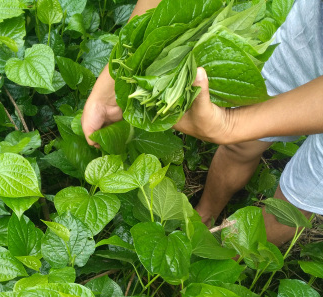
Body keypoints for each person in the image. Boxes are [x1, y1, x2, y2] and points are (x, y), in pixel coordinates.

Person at [82, 0, 323, 247]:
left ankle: (227, 260)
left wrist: (230, 124)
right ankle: (205, 217)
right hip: (315, 28)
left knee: (291, 205)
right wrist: (116, 78)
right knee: (242, 143)